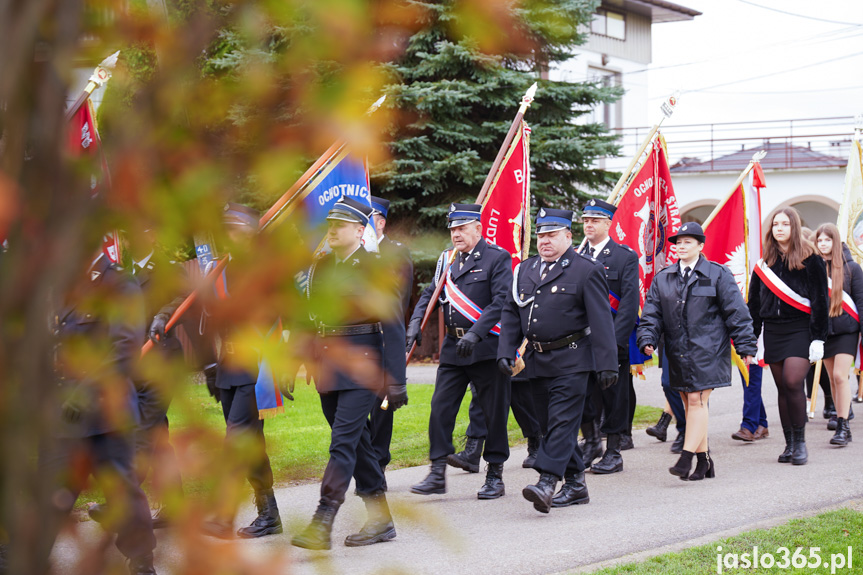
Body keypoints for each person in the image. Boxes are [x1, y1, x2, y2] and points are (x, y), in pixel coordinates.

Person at [291, 196, 407, 550]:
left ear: (360, 230)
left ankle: (322, 520)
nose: (332, 230)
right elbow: (310, 320)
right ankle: (381, 519)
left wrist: (396, 380)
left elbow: (393, 324)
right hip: (329, 366)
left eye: (340, 225)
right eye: (330, 224)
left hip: (363, 366)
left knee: (341, 443)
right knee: (358, 444)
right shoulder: (320, 268)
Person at [40, 252, 157, 574]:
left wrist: (82, 394)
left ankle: (142, 563)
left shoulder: (121, 284)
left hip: (108, 416)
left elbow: (123, 350)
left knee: (123, 497)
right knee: (50, 490)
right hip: (64, 418)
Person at [498, 208, 617, 513]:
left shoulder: (585, 270)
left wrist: (607, 364)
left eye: (552, 235)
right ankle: (576, 484)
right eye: (541, 235)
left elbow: (601, 320)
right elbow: (512, 313)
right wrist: (505, 350)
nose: (545, 241)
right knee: (550, 426)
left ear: (568, 236)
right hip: (537, 359)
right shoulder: (524, 270)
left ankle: (547, 482)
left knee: (563, 422)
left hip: (573, 359)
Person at [407, 203, 512, 500]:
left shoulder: (497, 258)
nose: (456, 234)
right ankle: (437, 471)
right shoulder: (447, 261)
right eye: (452, 229)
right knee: (440, 408)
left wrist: (477, 333)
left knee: (494, 414)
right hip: (454, 348)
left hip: (487, 348)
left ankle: (495, 474)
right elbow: (430, 295)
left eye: (462, 228)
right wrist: (414, 325)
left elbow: (501, 301)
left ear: (478, 228)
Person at [638, 222, 757, 480]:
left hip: (709, 350)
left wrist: (746, 345)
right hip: (677, 351)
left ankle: (686, 457)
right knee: (688, 404)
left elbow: (737, 313)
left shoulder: (717, 274)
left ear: (701, 246)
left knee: (697, 401)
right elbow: (651, 315)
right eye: (678, 242)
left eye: (687, 242)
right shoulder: (664, 277)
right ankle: (704, 462)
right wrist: (647, 337)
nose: (681, 246)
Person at [201, 203, 283, 539]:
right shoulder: (219, 271)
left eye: (236, 230)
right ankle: (269, 515)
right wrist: (210, 366)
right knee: (251, 445)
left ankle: (223, 515)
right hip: (228, 368)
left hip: (256, 368)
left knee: (235, 439)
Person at [748, 207, 828, 466]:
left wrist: (818, 337)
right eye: (775, 224)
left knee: (794, 382)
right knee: (783, 387)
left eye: (784, 224)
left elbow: (820, 301)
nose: (779, 228)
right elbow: (754, 305)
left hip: (800, 329)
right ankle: (789, 443)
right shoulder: (763, 264)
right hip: (773, 331)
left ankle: (801, 443)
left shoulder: (811, 258)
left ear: (794, 227)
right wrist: (752, 339)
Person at [577, 199, 639, 473]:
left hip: (612, 342)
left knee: (615, 398)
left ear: (607, 223)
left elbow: (628, 304)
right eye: (585, 220)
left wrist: (612, 344)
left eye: (595, 220)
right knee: (584, 395)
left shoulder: (624, 256)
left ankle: (614, 451)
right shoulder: (576, 255)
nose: (588, 225)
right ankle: (592, 443)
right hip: (580, 340)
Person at [367, 196, 413, 482]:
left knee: (381, 405)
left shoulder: (396, 252)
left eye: (369, 218)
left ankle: (379, 462)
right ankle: (365, 461)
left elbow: (402, 297)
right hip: (356, 340)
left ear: (381, 222)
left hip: (383, 335)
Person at [814, 223, 863, 445]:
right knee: (832, 380)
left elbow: (861, 302)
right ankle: (841, 417)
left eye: (827, 240)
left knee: (839, 376)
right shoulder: (813, 269)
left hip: (846, 331)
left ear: (836, 242)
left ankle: (842, 426)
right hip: (825, 333)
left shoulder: (852, 268)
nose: (823, 244)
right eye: (819, 240)